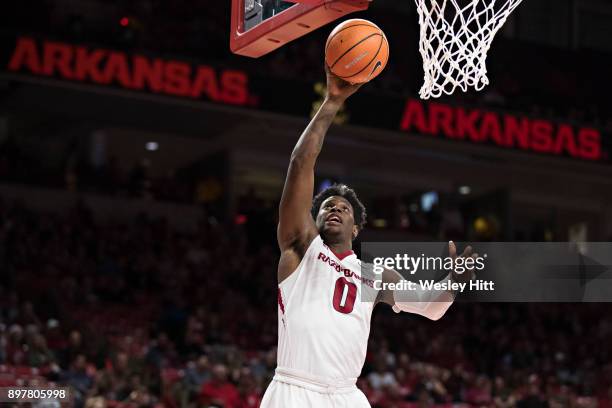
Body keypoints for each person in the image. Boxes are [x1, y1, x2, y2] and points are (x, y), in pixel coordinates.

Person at [260, 67, 476, 407]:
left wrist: (454, 281)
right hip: (296, 389)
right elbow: (301, 161)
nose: (334, 209)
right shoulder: (302, 247)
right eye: (327, 206)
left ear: (356, 228)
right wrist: (331, 102)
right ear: (314, 220)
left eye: (343, 208)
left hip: (347, 395)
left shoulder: (376, 276)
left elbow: (431, 308)